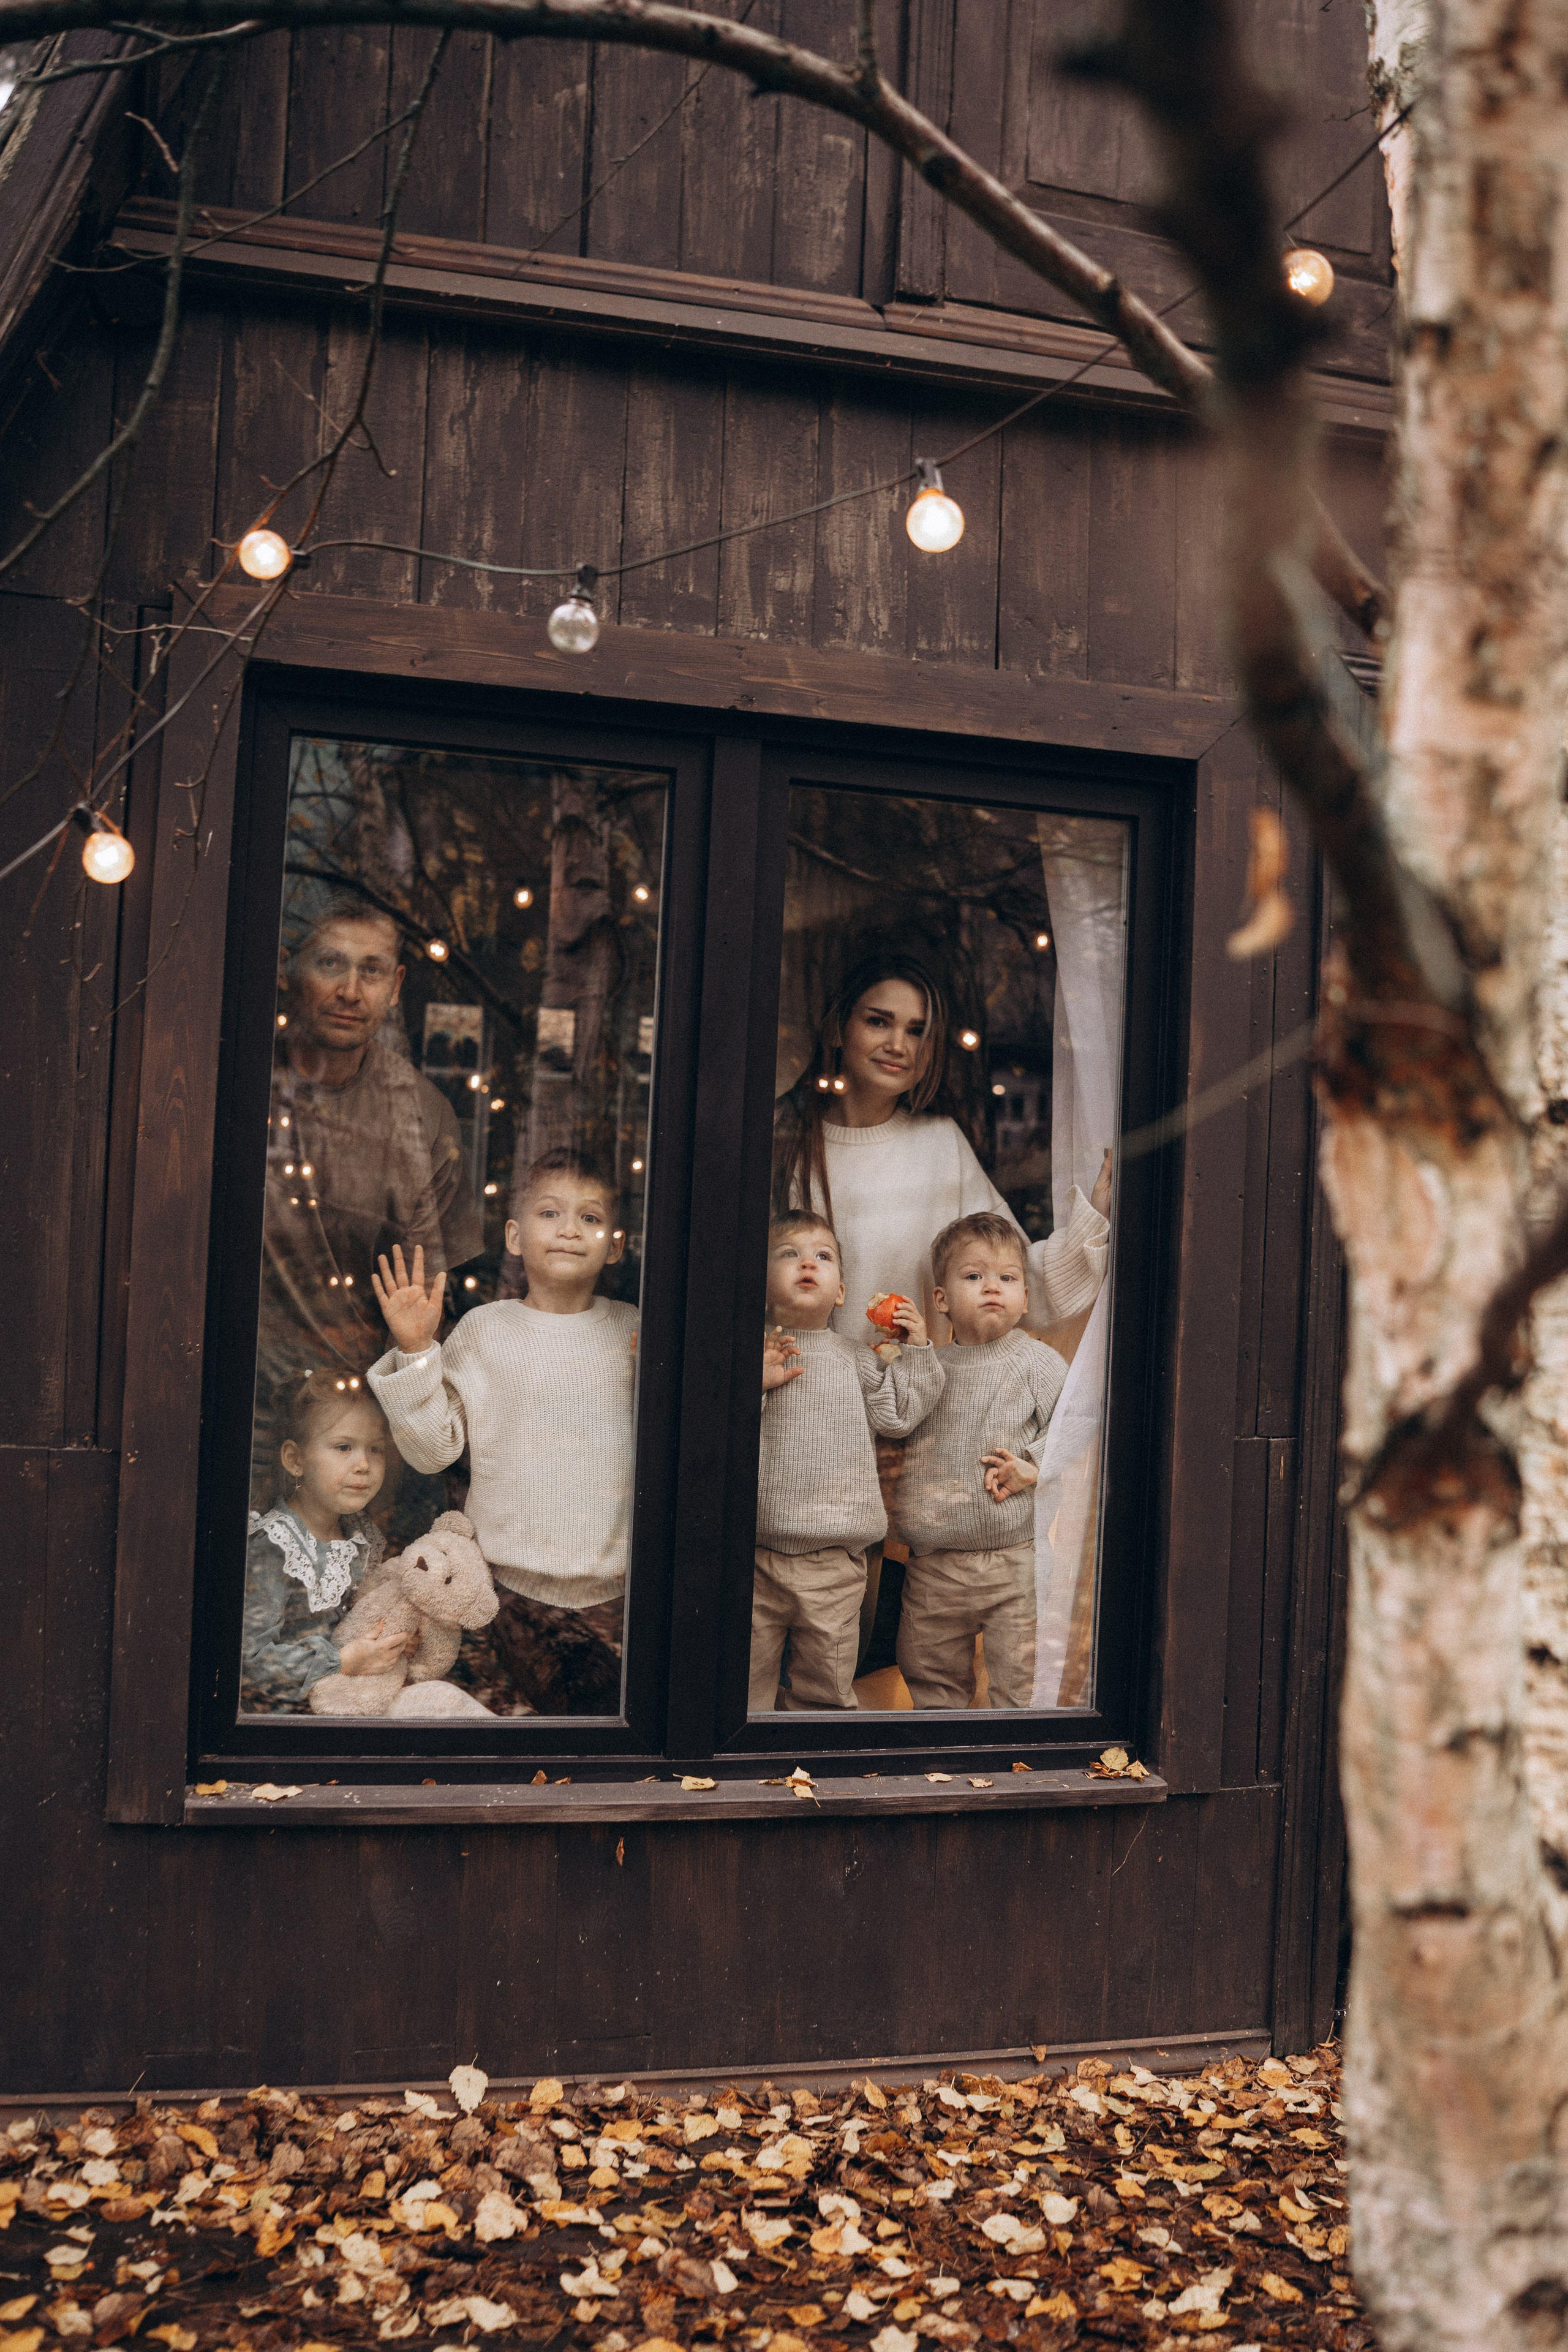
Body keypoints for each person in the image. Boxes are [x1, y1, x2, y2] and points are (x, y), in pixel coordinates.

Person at [367, 1150, 635, 1713]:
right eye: (549, 1214)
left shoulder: (636, 1331)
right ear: (513, 1236)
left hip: (621, 1595)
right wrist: (417, 1351)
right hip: (500, 1592)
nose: (569, 1230)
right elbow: (433, 1451)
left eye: (590, 1218)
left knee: (601, 1739)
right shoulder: (485, 1331)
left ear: (615, 1245)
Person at [255, 897, 484, 1496]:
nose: (351, 990)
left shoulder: (423, 1116)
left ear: (396, 984)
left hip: (357, 1415)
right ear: (287, 970)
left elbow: (424, 1309)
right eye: (331, 964)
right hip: (235, 1383)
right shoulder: (243, 1079)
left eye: (372, 970)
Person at [774, 951, 1112, 1340]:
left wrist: (1093, 1224)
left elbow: (1013, 1279)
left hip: (919, 1396)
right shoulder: (786, 1140)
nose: (898, 1045)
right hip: (808, 1394)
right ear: (837, 1029)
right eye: (878, 1022)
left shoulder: (939, 1142)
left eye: (917, 1031)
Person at [751, 1212, 943, 1711]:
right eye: (789, 1254)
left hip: (835, 1562)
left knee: (826, 1689)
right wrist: (756, 1385)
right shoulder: (751, 1355)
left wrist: (918, 1348)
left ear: (840, 1293)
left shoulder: (856, 1358)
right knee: (742, 1687)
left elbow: (900, 1415)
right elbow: (716, 1431)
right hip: (754, 1555)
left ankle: (811, 1773)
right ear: (761, 1279)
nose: (807, 1263)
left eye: (823, 1256)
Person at [893, 1213, 1068, 1708]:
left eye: (1008, 1278)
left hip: (1016, 1558)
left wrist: (1033, 1463)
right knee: (930, 1678)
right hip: (933, 1565)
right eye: (974, 1276)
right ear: (942, 1300)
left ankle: (1015, 1768)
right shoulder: (929, 1366)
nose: (993, 1287)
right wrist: (912, 1353)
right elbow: (896, 1421)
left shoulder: (1038, 1362)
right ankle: (940, 1766)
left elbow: (1077, 1424)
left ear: (1026, 1298)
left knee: (1020, 1681)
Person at [241, 1371, 407, 1711]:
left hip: (352, 1699)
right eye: (344, 1447)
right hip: (287, 1719)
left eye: (375, 1449)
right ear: (295, 1460)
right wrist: (342, 1662)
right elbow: (250, 1661)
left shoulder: (360, 1535)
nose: (363, 1465)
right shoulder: (275, 1546)